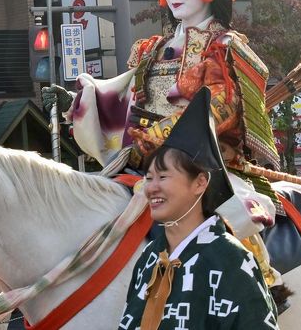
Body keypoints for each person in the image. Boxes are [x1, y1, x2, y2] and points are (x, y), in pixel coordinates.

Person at [43, 0, 281, 287]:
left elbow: (221, 104)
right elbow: (120, 96)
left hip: (204, 162)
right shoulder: (149, 49)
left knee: (231, 214)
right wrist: (76, 104)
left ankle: (260, 283)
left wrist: (165, 134)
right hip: (142, 162)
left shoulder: (225, 47)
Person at [119, 87, 277, 329]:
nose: (151, 188)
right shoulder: (150, 257)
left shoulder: (231, 260)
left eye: (163, 177)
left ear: (200, 182)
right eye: (149, 178)